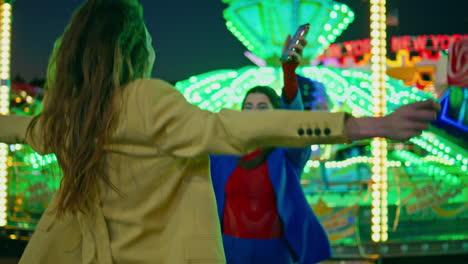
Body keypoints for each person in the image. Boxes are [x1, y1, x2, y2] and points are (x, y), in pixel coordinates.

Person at [0, 0, 439, 263]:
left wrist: (290, 75)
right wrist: (365, 125)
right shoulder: (146, 100)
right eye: (148, 39)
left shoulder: (74, 118)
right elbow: (227, 127)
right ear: (134, 49)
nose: (154, 47)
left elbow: (18, 129)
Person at [209, 36, 331, 264]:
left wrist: (288, 73)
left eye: (262, 107)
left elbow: (295, 124)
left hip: (275, 253)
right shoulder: (220, 153)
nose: (254, 112)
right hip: (230, 252)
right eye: (248, 107)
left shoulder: (286, 153)